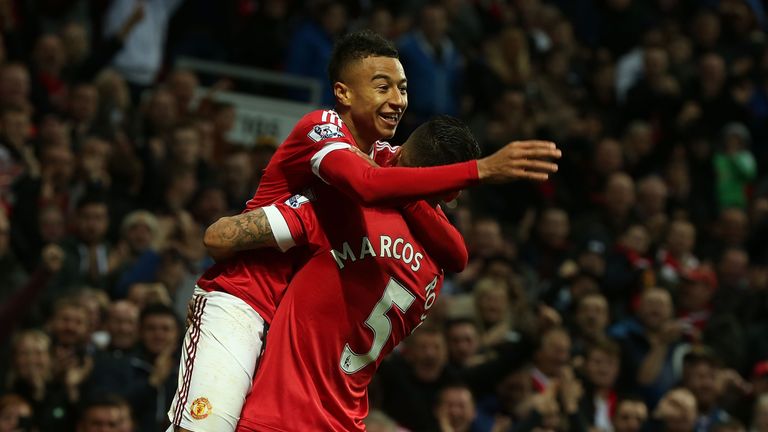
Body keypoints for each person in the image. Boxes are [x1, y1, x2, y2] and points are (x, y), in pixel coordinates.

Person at [167, 30, 560, 432]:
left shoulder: (387, 160)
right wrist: (481, 170)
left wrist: (413, 195)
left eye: (403, 88)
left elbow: (455, 250)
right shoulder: (320, 128)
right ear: (344, 93)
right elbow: (365, 186)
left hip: (294, 329)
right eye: (383, 86)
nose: (398, 99)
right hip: (244, 302)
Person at [227, 115, 485, 430]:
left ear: (400, 152)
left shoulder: (353, 209)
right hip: (344, 419)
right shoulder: (437, 272)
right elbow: (459, 254)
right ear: (451, 194)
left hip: (280, 413)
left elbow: (220, 237)